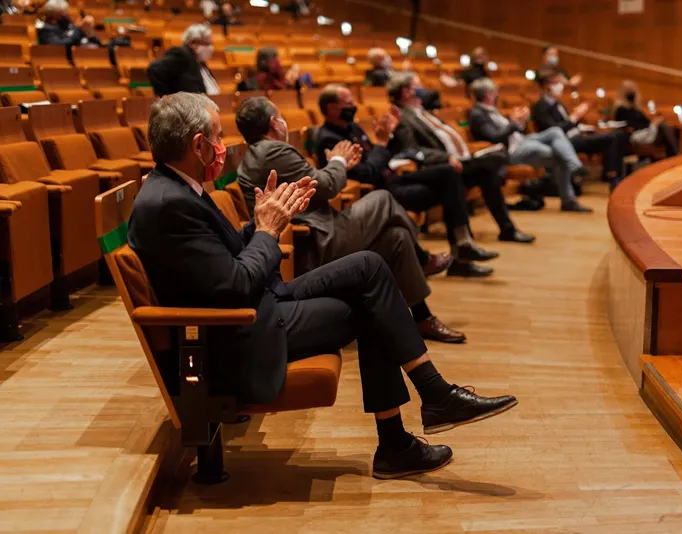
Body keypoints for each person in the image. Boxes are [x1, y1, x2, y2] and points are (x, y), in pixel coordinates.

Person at [128, 92, 518, 479]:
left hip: (256, 308)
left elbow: (219, 261)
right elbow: (235, 285)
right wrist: (266, 231)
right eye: (216, 136)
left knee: (369, 266)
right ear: (197, 145)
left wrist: (264, 221)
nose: (222, 146)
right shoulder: (170, 203)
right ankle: (409, 428)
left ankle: (430, 401)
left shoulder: (176, 188)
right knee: (371, 305)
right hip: (242, 333)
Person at [235, 96, 466, 344]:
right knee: (383, 199)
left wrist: (338, 164)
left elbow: (315, 182)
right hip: (313, 240)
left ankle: (422, 318)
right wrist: (338, 161)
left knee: (396, 238)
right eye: (281, 116)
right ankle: (423, 260)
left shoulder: (260, 152)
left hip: (320, 229)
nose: (284, 122)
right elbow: (325, 185)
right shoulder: (273, 150)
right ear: (274, 122)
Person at [315, 84, 498, 278]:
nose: (354, 105)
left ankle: (463, 244)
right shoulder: (329, 139)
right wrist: (382, 143)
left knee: (449, 173)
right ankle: (458, 255)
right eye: (348, 102)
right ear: (332, 108)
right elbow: (367, 174)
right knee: (450, 189)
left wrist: (392, 134)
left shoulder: (352, 127)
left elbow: (383, 156)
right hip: (377, 192)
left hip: (393, 177)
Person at [388, 73, 535, 244]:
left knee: (487, 171)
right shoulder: (402, 118)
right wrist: (446, 157)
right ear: (406, 92)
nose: (424, 90)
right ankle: (465, 241)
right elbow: (412, 149)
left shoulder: (423, 112)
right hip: (440, 168)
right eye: (418, 86)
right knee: (489, 161)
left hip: (458, 161)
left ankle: (506, 230)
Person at [469, 78, 592, 212]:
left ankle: (574, 166)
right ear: (488, 94)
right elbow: (495, 137)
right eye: (495, 92)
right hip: (511, 152)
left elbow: (511, 131)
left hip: (522, 141)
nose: (497, 94)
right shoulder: (478, 114)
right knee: (560, 155)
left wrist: (520, 121)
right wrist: (514, 123)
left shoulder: (492, 110)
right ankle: (570, 195)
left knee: (555, 132)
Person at [532, 67, 628, 189]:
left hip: (574, 137)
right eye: (556, 83)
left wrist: (582, 126)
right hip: (562, 142)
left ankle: (614, 176)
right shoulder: (540, 106)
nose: (560, 86)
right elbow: (553, 130)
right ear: (546, 85)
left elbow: (569, 124)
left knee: (618, 135)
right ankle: (612, 178)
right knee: (610, 138)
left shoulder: (558, 103)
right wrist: (575, 117)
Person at [147, 24, 219, 96]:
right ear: (192, 43)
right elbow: (154, 68)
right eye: (207, 44)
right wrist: (168, 98)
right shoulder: (183, 55)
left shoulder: (201, 62)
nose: (211, 48)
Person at [613, 80, 678, 158]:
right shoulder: (621, 109)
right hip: (636, 136)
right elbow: (630, 125)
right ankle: (675, 156)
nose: (632, 93)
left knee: (664, 127)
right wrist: (652, 124)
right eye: (629, 90)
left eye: (633, 90)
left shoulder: (636, 109)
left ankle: (672, 157)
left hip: (646, 132)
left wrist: (653, 122)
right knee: (663, 127)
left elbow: (645, 121)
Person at [37, 0, 102, 48]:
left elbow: (98, 43)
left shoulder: (67, 25)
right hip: (59, 61)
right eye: (61, 12)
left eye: (65, 11)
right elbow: (59, 45)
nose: (65, 14)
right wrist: (78, 29)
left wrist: (89, 32)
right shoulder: (46, 29)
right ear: (52, 14)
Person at [237, 47, 302, 92]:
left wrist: (293, 84)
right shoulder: (249, 84)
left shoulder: (282, 77)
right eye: (274, 58)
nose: (277, 61)